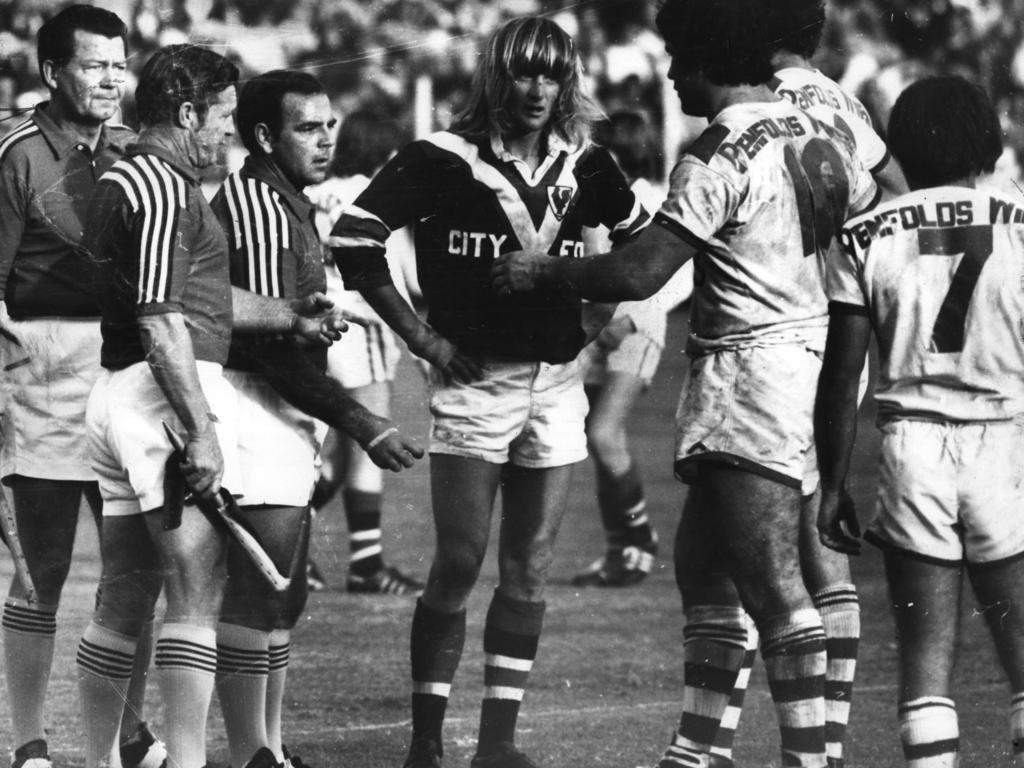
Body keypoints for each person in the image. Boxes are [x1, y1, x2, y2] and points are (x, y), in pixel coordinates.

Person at [492, 1, 880, 766]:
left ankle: (812, 758)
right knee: (703, 564)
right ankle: (695, 753)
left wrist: (542, 270)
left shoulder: (719, 150)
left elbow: (639, 270)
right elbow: (874, 201)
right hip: (811, 353)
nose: (669, 74)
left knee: (772, 583)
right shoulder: (821, 126)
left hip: (750, 369)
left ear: (710, 58)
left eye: (679, 58)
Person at [329, 16, 648, 768]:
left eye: (551, 75)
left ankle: (499, 743)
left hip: (557, 385)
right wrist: (423, 339)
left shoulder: (589, 163)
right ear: (495, 78)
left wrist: (596, 312)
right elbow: (353, 237)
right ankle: (426, 739)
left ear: (568, 82)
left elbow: (638, 246)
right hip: (476, 384)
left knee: (531, 566)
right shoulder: (443, 157)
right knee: (460, 561)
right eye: (522, 74)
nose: (537, 90)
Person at [74, 45, 345, 768]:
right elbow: (164, 318)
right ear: (188, 113)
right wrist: (199, 432)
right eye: (223, 116)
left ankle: (102, 761)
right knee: (197, 593)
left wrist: (291, 315)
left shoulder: (121, 177)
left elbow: (198, 295)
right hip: (161, 395)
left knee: (125, 598)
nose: (228, 132)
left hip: (116, 394)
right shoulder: (165, 186)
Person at [705, 2, 910, 764]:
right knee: (816, 541)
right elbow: (895, 193)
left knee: (747, 550)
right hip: (834, 336)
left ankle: (726, 745)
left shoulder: (754, 103)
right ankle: (828, 737)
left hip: (770, 336)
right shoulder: (841, 100)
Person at [209, 69, 424, 768]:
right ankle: (249, 755)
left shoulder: (290, 201)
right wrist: (363, 422)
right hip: (248, 401)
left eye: (330, 125)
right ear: (266, 136)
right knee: (262, 589)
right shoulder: (257, 206)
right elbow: (269, 348)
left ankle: (267, 746)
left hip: (281, 408)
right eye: (308, 127)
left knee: (286, 593)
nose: (326, 139)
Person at [815, 75, 1024, 768]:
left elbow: (843, 370)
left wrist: (831, 480)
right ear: (988, 141)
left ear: (901, 145)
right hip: (1006, 438)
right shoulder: (1021, 219)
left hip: (912, 450)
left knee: (925, 664)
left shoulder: (863, 234)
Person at [0, 7, 162, 768]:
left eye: (117, 66)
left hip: (127, 364)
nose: (108, 80)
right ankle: (29, 740)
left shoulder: (136, 152)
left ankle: (131, 734)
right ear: (52, 72)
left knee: (136, 564)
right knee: (45, 567)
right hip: (43, 364)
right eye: (93, 65)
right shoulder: (15, 153)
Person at [305, 109, 425, 596]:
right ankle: (366, 564)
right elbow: (406, 277)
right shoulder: (378, 199)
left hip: (315, 325)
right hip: (363, 323)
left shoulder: (315, 193)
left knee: (324, 446)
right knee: (366, 445)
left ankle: (293, 551)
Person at [572, 110, 692, 588]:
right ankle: (620, 548)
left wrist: (638, 310)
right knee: (598, 440)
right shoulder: (591, 198)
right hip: (596, 323)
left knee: (603, 434)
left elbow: (675, 273)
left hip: (633, 325)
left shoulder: (649, 202)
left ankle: (639, 539)